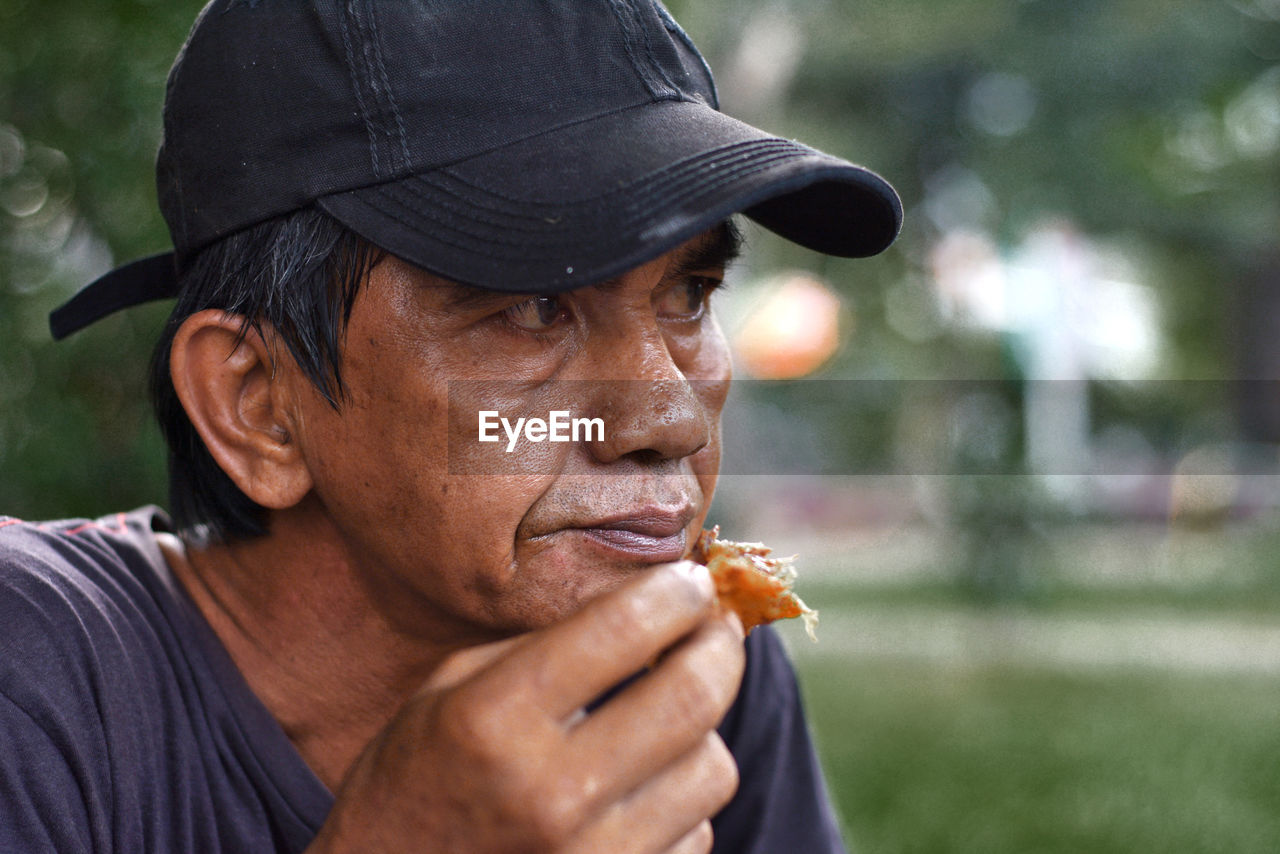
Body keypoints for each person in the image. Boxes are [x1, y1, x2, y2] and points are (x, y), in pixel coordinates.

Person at [2, 1, 900, 852]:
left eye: (689, 295)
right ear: (259, 404)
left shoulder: (682, 674)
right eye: (535, 308)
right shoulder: (35, 679)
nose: (668, 417)